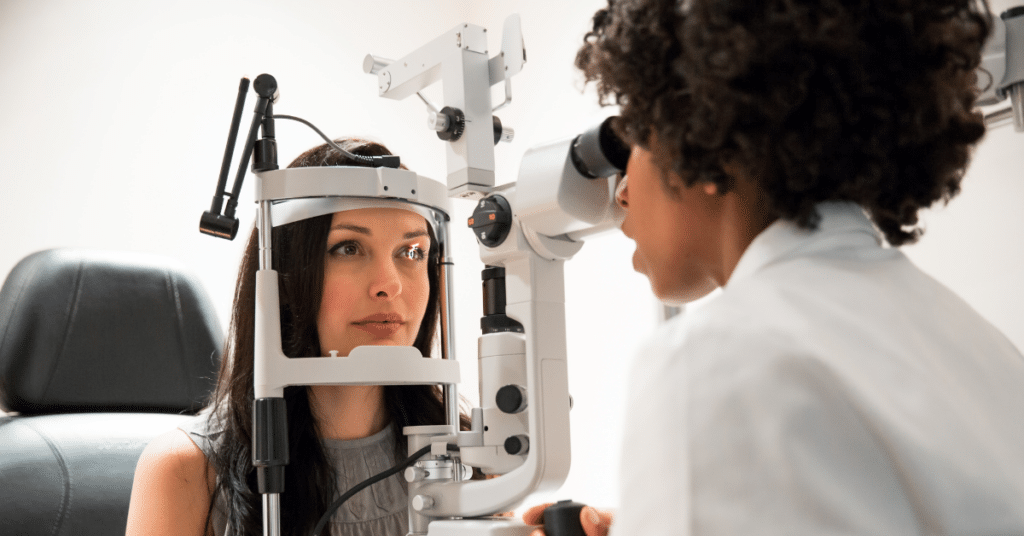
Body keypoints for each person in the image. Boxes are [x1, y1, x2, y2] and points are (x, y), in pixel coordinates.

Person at [527, 0, 1024, 534]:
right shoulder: (979, 346)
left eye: (638, 138)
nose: (622, 191)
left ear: (704, 139)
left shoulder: (719, 359)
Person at [126, 138, 470, 536]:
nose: (388, 285)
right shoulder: (186, 471)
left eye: (412, 252)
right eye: (348, 248)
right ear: (284, 277)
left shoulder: (466, 455)